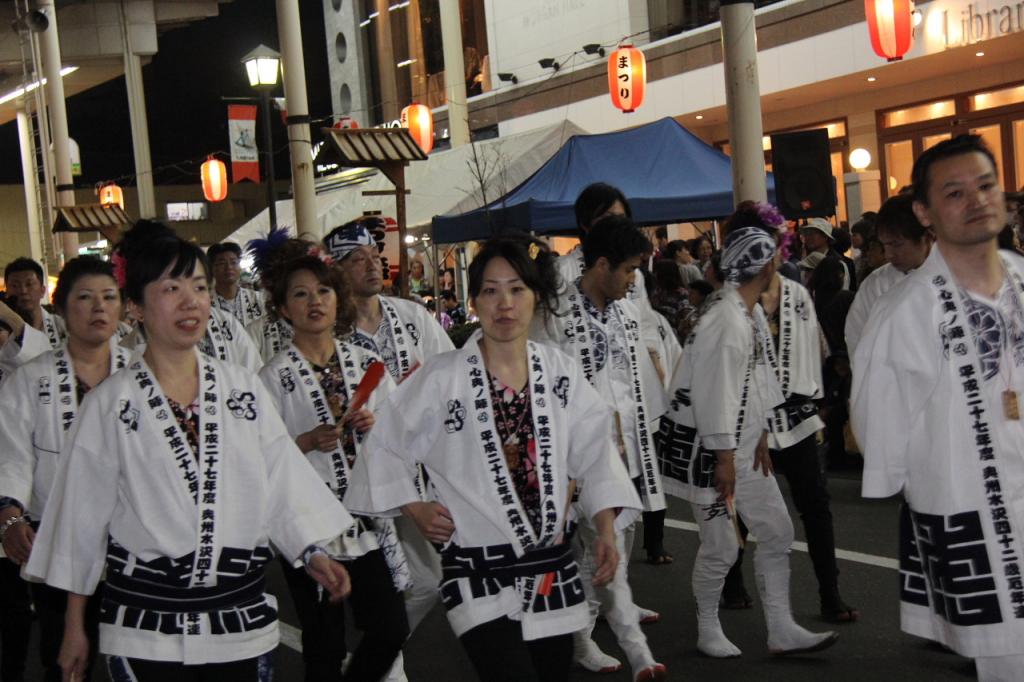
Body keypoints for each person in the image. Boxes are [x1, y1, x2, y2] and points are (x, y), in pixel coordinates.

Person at [24, 220, 355, 680]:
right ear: (136, 306)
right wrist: (75, 625)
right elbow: (83, 515)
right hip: (146, 627)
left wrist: (311, 550)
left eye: (199, 286)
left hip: (239, 619)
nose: (191, 301)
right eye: (171, 287)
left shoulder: (241, 387)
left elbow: (280, 474)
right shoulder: (110, 403)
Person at [345, 236, 643, 682]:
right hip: (477, 570)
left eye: (517, 289)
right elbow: (385, 444)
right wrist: (415, 507)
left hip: (550, 568)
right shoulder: (442, 378)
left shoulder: (560, 371)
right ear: (473, 301)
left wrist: (602, 526)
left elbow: (595, 450)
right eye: (490, 290)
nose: (505, 303)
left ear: (535, 297)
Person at [852, 135, 1024, 681]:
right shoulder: (906, 307)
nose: (976, 200)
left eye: (985, 185)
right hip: (973, 502)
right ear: (925, 212)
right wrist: (907, 481)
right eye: (955, 192)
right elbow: (879, 416)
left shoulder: (1022, 277)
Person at [657, 226, 839, 659]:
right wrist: (723, 457)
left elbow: (757, 378)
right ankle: (707, 626)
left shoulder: (746, 311)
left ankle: (781, 628)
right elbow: (714, 393)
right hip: (709, 449)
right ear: (769, 266)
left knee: (777, 531)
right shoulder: (726, 319)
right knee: (722, 545)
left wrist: (761, 432)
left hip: (739, 445)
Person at [256, 237, 409, 681]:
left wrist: (373, 421)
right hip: (308, 526)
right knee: (323, 643)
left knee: (390, 628)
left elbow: (400, 431)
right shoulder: (271, 378)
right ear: (283, 309)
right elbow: (262, 456)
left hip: (364, 519)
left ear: (337, 298)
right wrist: (303, 441)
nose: (314, 302)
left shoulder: (365, 362)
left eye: (323, 291)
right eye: (300, 294)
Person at [534, 216, 668, 678]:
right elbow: (543, 386)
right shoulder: (556, 313)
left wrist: (640, 438)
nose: (633, 280)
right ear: (603, 264)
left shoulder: (626, 312)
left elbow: (634, 384)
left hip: (624, 445)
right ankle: (581, 635)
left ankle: (589, 628)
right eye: (629, 270)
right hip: (577, 450)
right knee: (591, 546)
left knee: (617, 542)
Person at [324, 217, 455, 680]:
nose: (371, 265)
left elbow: (447, 375)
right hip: (361, 476)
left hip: (419, 470)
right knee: (385, 582)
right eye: (356, 260)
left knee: (430, 581)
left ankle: (377, 656)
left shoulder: (412, 315)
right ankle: (388, 666)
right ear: (336, 272)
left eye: (374, 257)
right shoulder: (331, 334)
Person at [716, 203, 858, 623]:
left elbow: (813, 347)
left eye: (777, 240)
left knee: (815, 502)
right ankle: (732, 580)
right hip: (744, 420)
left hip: (796, 414)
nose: (776, 249)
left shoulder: (796, 291)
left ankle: (829, 592)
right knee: (737, 506)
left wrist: (819, 398)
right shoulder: (728, 300)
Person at [0, 257, 132, 682]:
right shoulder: (29, 378)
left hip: (134, 535)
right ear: (60, 308)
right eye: (85, 298)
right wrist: (12, 514)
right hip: (54, 531)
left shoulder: (142, 372)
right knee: (65, 651)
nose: (99, 308)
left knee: (134, 650)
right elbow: (14, 454)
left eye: (108, 298)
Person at [845, 194, 932, 357]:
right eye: (885, 245)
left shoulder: (956, 276)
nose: (890, 254)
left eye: (896, 244)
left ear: (926, 237)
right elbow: (857, 341)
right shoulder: (875, 284)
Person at [3, 258, 64, 348]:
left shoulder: (61, 326)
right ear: (7, 291)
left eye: (29, 284)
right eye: (15, 285)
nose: (23, 291)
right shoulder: (3, 329)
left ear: (42, 291)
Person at [208, 242, 265, 326]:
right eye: (222, 263)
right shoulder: (206, 302)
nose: (229, 267)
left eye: (234, 262)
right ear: (211, 268)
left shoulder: (258, 299)